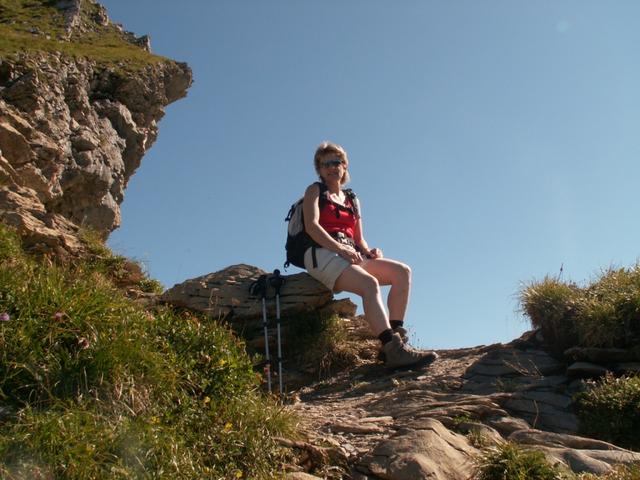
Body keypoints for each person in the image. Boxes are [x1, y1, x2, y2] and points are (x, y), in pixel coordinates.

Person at [302, 141, 437, 369]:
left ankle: (395, 341)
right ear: (320, 170)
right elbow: (312, 227)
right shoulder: (314, 191)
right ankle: (392, 349)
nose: (331, 167)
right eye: (325, 164)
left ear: (344, 166)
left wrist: (369, 251)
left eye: (336, 162)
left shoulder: (352, 199)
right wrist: (340, 249)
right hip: (320, 253)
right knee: (369, 284)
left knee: (402, 272)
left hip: (350, 254)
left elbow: (358, 238)